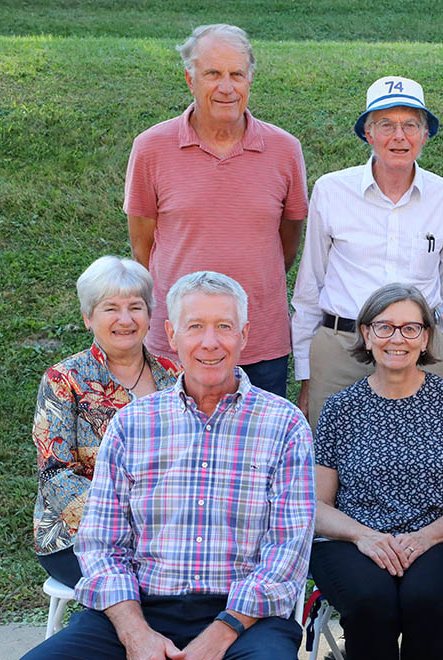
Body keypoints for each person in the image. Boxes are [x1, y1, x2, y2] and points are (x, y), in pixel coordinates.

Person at [22, 271, 315, 660]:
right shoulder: (132, 423)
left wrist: (218, 636)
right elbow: (102, 544)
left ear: (244, 335)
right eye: (195, 326)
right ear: (171, 335)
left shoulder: (285, 424)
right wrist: (135, 633)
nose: (209, 342)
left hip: (246, 618)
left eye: (223, 327)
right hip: (139, 607)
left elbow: (286, 552)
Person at [309, 283, 443, 659]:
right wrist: (365, 537)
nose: (398, 338)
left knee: (424, 600)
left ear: (425, 338)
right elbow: (316, 505)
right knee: (369, 600)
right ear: (366, 333)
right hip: (352, 542)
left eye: (411, 328)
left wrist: (426, 537)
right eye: (385, 327)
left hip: (440, 540)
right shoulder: (340, 409)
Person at [125, 24, 308, 397]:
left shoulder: (285, 150)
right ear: (190, 79)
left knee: (257, 453)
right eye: (213, 74)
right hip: (178, 344)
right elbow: (143, 250)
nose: (226, 87)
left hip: (259, 343)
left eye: (236, 74)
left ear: (250, 79)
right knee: (171, 453)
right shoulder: (150, 148)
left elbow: (287, 246)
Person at [292, 75, 443, 423]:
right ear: (368, 134)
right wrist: (306, 372)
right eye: (386, 124)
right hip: (342, 349)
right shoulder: (331, 191)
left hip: (418, 351)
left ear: (425, 135)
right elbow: (309, 287)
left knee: (422, 460)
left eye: (410, 125)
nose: (399, 136)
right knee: (330, 465)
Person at [31, 256, 181, 588]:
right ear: (88, 317)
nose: (125, 319)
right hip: (80, 537)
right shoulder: (63, 380)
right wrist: (131, 526)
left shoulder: (175, 377)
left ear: (150, 314)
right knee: (152, 585)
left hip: (168, 534)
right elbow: (56, 475)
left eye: (135, 307)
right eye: (111, 308)